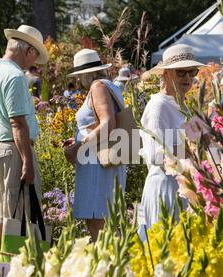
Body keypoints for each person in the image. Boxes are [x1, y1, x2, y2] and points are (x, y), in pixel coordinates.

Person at [0, 24, 49, 260]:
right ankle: (12, 273)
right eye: (35, 56)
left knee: (3, 216)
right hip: (12, 150)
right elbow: (17, 123)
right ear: (27, 51)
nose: (34, 62)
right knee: (17, 216)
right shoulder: (15, 76)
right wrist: (27, 160)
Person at [138, 44, 204, 240]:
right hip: (165, 187)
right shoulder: (158, 105)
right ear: (166, 74)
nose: (187, 78)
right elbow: (156, 154)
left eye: (192, 72)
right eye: (181, 72)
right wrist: (192, 149)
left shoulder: (184, 105)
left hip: (184, 186)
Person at [64, 48, 127, 241]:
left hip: (98, 163)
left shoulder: (98, 87)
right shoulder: (109, 86)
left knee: (98, 221)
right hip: (103, 159)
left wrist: (78, 145)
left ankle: (108, 266)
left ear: (85, 74)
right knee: (104, 220)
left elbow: (108, 123)